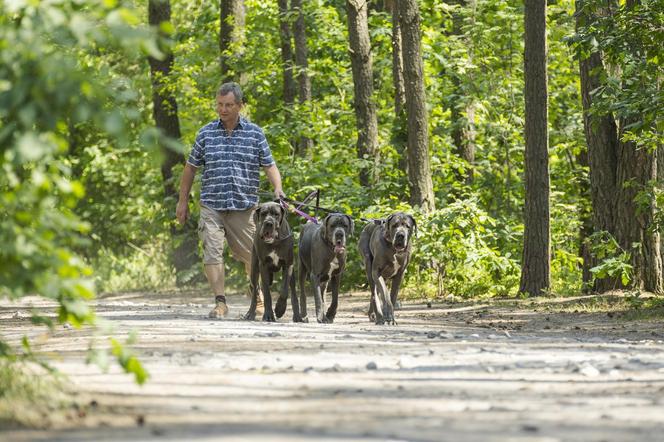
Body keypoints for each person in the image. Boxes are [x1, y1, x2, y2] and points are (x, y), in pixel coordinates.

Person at [176, 82, 285, 319]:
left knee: (253, 255)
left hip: (244, 207)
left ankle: (257, 298)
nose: (223, 109)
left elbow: (269, 165)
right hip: (212, 205)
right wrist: (182, 201)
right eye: (220, 104)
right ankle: (220, 302)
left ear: (240, 105)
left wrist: (278, 189)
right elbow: (190, 169)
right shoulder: (206, 133)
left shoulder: (255, 133)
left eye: (228, 105)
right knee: (212, 251)